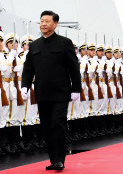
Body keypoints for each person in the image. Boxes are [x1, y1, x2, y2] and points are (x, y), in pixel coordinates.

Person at [21, 10, 81, 171]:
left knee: (58, 124)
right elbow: (28, 68)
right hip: (42, 93)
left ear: (55, 24)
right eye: (41, 21)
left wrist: (76, 88)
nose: (43, 24)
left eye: (47, 21)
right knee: (46, 126)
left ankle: (60, 159)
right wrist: (24, 86)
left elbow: (74, 67)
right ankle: (53, 159)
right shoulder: (34, 45)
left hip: (61, 92)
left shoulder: (65, 43)